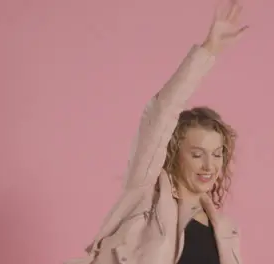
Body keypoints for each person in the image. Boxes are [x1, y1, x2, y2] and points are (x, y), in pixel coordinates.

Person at [66, 0, 249, 263]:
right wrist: (208, 51)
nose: (209, 165)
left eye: (217, 154)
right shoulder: (144, 198)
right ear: (174, 152)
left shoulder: (225, 230)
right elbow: (161, 112)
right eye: (197, 154)